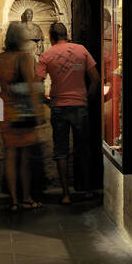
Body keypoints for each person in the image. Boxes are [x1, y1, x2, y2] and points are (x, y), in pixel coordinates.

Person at [35, 22, 99, 204]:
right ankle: (87, 190)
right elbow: (96, 79)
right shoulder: (81, 50)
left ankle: (65, 194)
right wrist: (87, 98)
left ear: (50, 37)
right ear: (67, 34)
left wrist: (46, 101)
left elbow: (37, 83)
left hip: (59, 106)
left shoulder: (47, 55)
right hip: (80, 105)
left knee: (61, 150)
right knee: (84, 148)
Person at [0, 22, 45, 212]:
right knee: (25, 158)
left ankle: (14, 201)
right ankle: (27, 198)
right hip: (22, 111)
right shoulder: (25, 58)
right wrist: (38, 112)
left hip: (5, 110)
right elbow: (31, 85)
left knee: (10, 156)